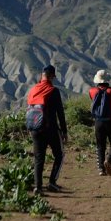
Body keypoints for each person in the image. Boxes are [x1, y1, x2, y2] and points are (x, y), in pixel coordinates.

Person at [26, 64, 68, 194]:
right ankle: (52, 183)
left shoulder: (33, 90)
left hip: (34, 129)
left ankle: (38, 187)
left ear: (42, 76)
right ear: (51, 77)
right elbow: (60, 113)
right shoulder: (53, 91)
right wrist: (64, 131)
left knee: (39, 158)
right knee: (59, 155)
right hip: (50, 129)